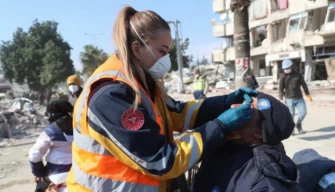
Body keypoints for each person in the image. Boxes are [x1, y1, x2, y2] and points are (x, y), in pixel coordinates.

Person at [66, 6, 259, 192]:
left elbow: (177, 113)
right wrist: (220, 126)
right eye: (162, 51)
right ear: (136, 48)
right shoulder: (110, 95)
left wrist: (224, 103)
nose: (166, 59)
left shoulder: (141, 83)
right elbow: (162, 160)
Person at [192, 92, 299, 192]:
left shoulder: (262, 180)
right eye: (243, 103)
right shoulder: (223, 143)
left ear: (259, 134)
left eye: (248, 109)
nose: (233, 107)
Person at [29, 100, 74, 192]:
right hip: (81, 172)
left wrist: (39, 172)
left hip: (56, 172)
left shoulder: (51, 131)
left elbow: (34, 154)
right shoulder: (83, 127)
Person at [279, 59, 312, 134]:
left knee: (303, 113)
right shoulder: (283, 77)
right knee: (291, 115)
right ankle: (292, 128)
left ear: (291, 66)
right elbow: (280, 89)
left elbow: (304, 85)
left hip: (299, 98)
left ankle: (299, 124)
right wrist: (281, 98)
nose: (286, 70)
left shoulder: (298, 75)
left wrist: (308, 94)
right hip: (289, 99)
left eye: (288, 68)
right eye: (285, 68)